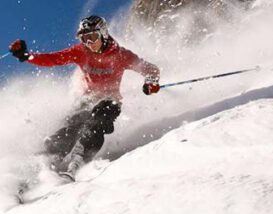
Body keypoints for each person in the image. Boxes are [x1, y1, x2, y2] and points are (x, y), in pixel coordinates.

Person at [9, 15, 160, 180]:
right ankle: (44, 161)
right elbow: (54, 59)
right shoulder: (81, 52)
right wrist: (26, 55)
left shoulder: (121, 55)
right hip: (87, 100)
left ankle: (78, 162)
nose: (89, 43)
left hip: (110, 100)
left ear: (103, 34)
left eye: (92, 37)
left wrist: (151, 83)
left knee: (97, 122)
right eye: (84, 38)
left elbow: (150, 70)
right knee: (72, 127)